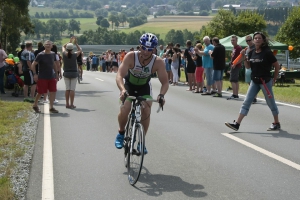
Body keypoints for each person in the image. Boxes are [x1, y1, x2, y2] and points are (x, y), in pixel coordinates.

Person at [115, 33, 169, 154]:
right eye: (143, 48)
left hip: (144, 87)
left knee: (146, 109)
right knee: (126, 107)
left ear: (154, 49)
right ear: (140, 46)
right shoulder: (130, 57)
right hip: (129, 85)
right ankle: (121, 132)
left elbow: (165, 82)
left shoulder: (158, 62)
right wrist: (123, 90)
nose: (145, 52)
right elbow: (119, 75)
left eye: (149, 49)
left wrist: (161, 95)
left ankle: (141, 142)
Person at [225, 32, 281, 131]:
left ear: (263, 40)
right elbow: (248, 66)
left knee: (270, 103)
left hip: (265, 81)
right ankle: (237, 124)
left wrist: (274, 79)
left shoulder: (267, 52)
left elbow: (276, 66)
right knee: (246, 102)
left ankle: (276, 123)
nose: (257, 40)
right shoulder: (252, 51)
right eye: (255, 38)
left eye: (259, 38)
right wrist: (245, 57)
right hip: (254, 81)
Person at [31, 40, 59, 113]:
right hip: (42, 76)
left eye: (49, 44)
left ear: (52, 46)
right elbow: (33, 64)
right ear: (44, 46)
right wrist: (35, 74)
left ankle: (51, 107)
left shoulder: (53, 54)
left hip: (51, 76)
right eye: (46, 45)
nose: (48, 46)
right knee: (40, 92)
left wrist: (56, 74)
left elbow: (54, 64)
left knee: (53, 91)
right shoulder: (41, 55)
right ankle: (35, 105)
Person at [62, 37, 82, 109]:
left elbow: (63, 46)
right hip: (74, 73)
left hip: (66, 73)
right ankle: (72, 104)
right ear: (72, 49)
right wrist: (75, 43)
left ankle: (67, 104)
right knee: (72, 89)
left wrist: (69, 41)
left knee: (67, 89)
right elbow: (80, 50)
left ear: (67, 49)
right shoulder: (75, 55)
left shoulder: (64, 54)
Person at [227, 35, 242, 100]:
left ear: (236, 41)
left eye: (234, 40)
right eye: (231, 40)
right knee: (235, 80)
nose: (232, 41)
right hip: (233, 65)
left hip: (236, 65)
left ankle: (235, 94)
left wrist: (235, 64)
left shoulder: (238, 48)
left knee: (233, 80)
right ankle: (236, 94)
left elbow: (240, 57)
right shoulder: (234, 48)